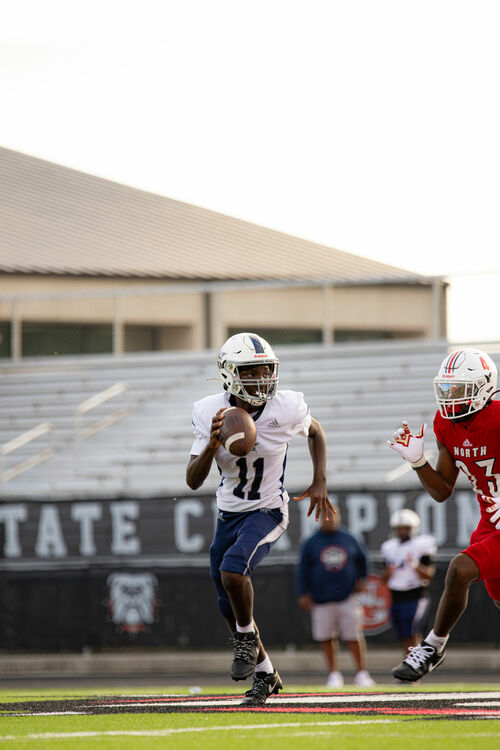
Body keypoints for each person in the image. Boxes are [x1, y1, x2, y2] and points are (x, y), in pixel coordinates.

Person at [186, 332, 334, 706]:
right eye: (251, 372)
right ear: (230, 374)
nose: (261, 378)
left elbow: (316, 432)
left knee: (233, 571)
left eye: (266, 370)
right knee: (228, 603)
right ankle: (265, 673)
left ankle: (246, 642)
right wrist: (212, 445)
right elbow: (192, 479)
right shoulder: (208, 412)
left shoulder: (286, 407)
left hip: (268, 510)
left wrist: (319, 480)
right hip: (228, 514)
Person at [387, 347, 500, 682]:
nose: (452, 397)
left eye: (461, 389)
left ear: (484, 388)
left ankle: (432, 647)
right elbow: (442, 491)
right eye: (448, 389)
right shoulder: (445, 424)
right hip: (491, 522)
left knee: (459, 569)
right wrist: (418, 461)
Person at [296, 505, 375, 688]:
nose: (329, 519)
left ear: (338, 516)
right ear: (319, 518)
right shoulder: (311, 542)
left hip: (348, 597)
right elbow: (302, 569)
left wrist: (362, 579)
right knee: (326, 637)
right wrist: (303, 593)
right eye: (325, 516)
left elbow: (363, 561)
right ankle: (334, 674)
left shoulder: (349, 538)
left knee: (353, 636)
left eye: (332, 515)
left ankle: (361, 673)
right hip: (321, 598)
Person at [380, 508, 436, 656]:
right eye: (399, 528)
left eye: (405, 528)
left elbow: (429, 575)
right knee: (404, 635)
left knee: (413, 633)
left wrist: (415, 565)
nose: (402, 532)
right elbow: (384, 578)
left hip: (415, 594)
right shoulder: (389, 547)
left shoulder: (421, 544)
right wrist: (389, 572)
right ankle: (409, 663)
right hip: (396, 596)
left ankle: (417, 665)